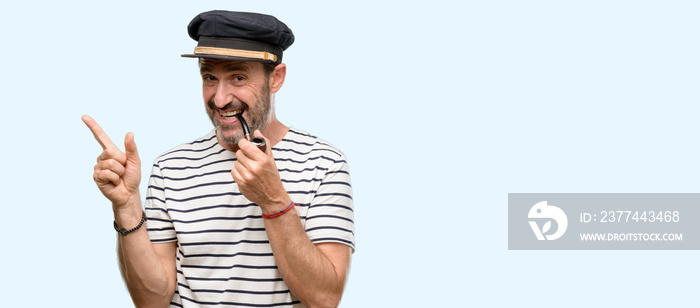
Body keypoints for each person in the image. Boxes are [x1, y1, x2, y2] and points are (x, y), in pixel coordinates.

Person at [82, 10, 355, 308]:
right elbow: (152, 301)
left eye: (238, 77)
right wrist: (126, 206)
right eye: (210, 77)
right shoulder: (170, 168)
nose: (220, 98)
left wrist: (274, 200)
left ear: (275, 78)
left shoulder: (324, 164)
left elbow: (325, 299)